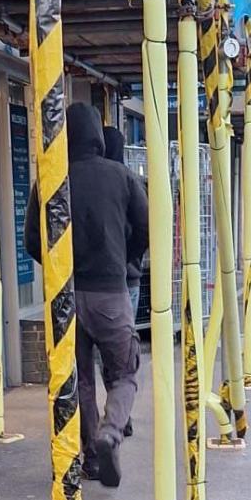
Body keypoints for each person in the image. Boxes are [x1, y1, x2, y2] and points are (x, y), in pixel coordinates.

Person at [26, 103, 148, 487]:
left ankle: (91, 459)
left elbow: (31, 238)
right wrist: (124, 258)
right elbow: (146, 227)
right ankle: (111, 432)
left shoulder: (50, 179)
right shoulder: (123, 177)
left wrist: (61, 270)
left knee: (78, 381)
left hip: (66, 298)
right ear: (98, 134)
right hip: (111, 293)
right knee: (124, 372)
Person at [102, 125, 142, 439]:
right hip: (128, 278)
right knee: (124, 355)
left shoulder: (96, 182)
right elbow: (146, 227)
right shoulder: (130, 181)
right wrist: (129, 256)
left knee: (104, 356)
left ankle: (114, 419)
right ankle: (120, 416)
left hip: (97, 281)